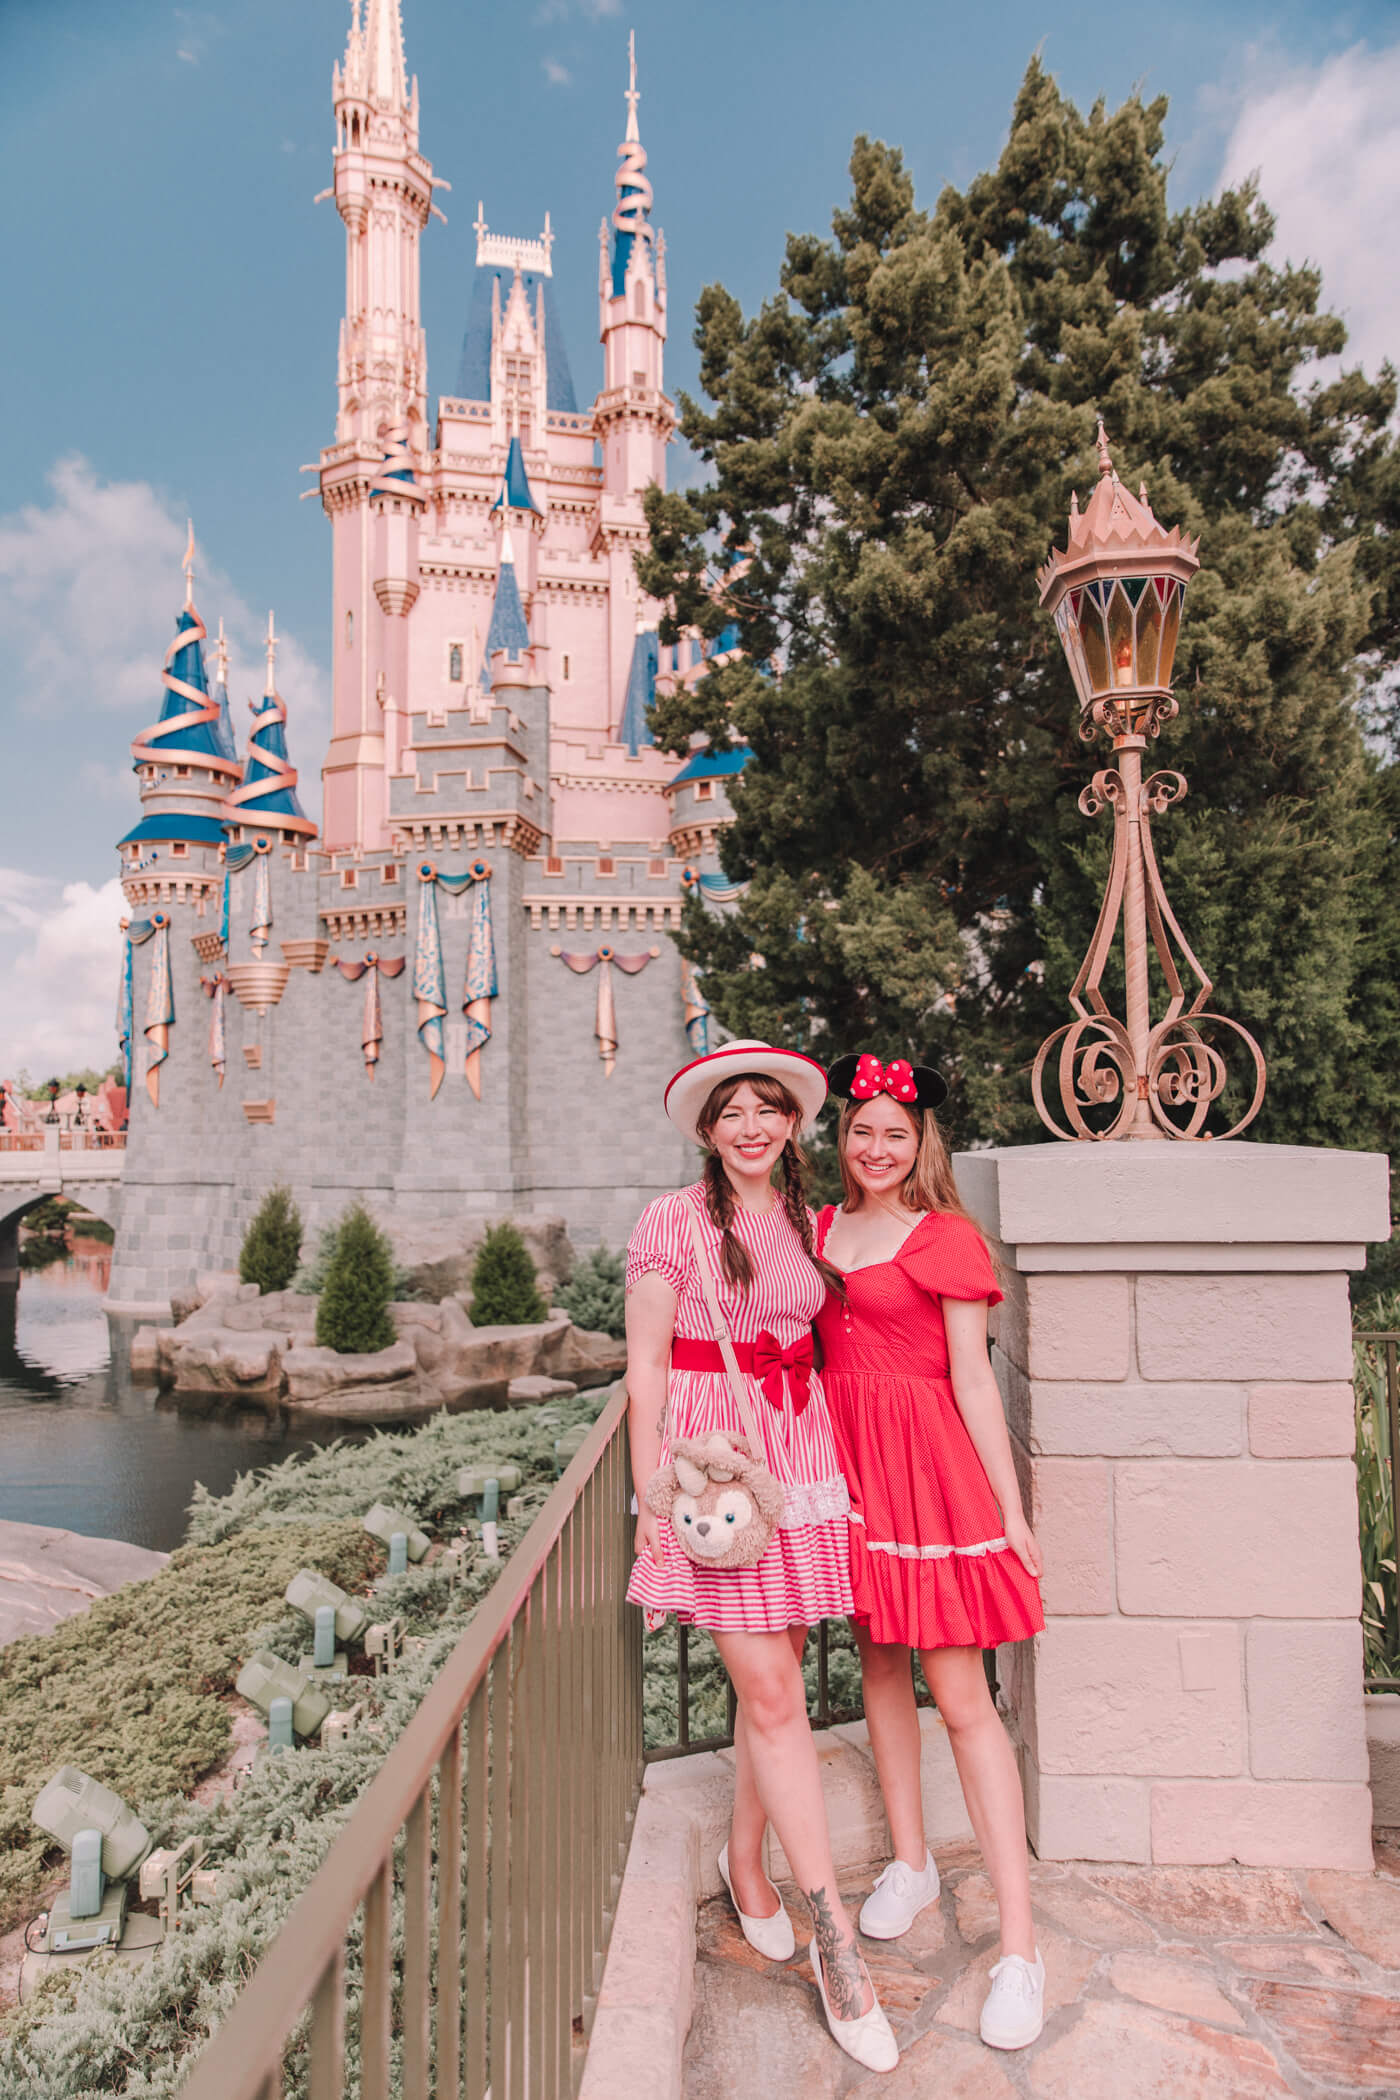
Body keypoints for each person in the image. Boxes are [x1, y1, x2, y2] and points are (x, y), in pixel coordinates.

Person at [626, 1040, 900, 2074]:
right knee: (776, 1697)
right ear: (705, 1129)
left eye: (767, 1110)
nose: (750, 1124)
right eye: (730, 1111)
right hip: (715, 1469)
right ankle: (832, 1939)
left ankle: (745, 1863)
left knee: (772, 1682)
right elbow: (645, 1362)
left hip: (798, 1453)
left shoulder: (802, 1220)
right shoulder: (670, 1220)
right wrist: (649, 1495)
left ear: (790, 1124)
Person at [814, 1052, 1047, 2052]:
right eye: (860, 1130)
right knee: (877, 1664)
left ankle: (1020, 1949)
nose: (874, 1147)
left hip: (928, 1476)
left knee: (959, 1697)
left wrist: (1011, 1508)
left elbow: (971, 1380)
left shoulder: (944, 1236)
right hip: (846, 1467)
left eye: (892, 1134)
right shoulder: (815, 1230)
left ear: (919, 1144)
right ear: (842, 1139)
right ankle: (908, 1862)